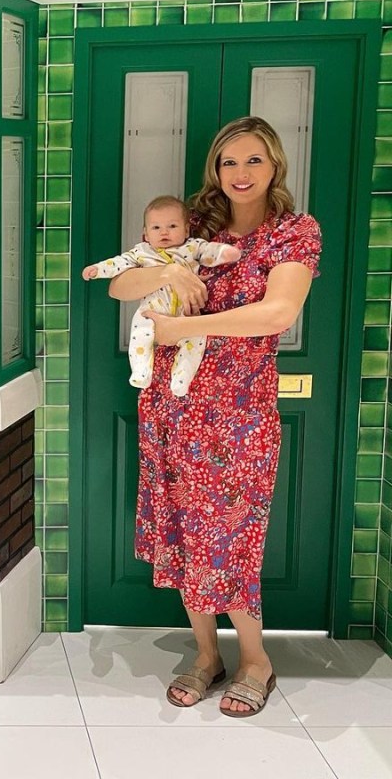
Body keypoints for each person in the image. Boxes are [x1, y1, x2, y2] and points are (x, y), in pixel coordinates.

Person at [106, 116, 321, 717]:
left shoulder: (293, 232)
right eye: (229, 162)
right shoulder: (193, 223)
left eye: (254, 160)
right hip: (172, 408)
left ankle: (256, 659)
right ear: (215, 171)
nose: (241, 173)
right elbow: (120, 288)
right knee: (180, 532)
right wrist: (171, 270)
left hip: (240, 415)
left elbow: (276, 313)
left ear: (274, 164)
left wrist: (181, 327)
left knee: (231, 538)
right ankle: (207, 655)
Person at [82, 195, 240, 396]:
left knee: (196, 341)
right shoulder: (142, 253)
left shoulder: (192, 247)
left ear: (186, 230)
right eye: (156, 228)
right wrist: (98, 269)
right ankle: (141, 371)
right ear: (145, 234)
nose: (164, 232)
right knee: (140, 332)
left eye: (172, 226)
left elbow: (209, 251)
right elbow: (118, 265)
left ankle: (182, 377)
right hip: (152, 311)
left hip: (187, 313)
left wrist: (224, 253)